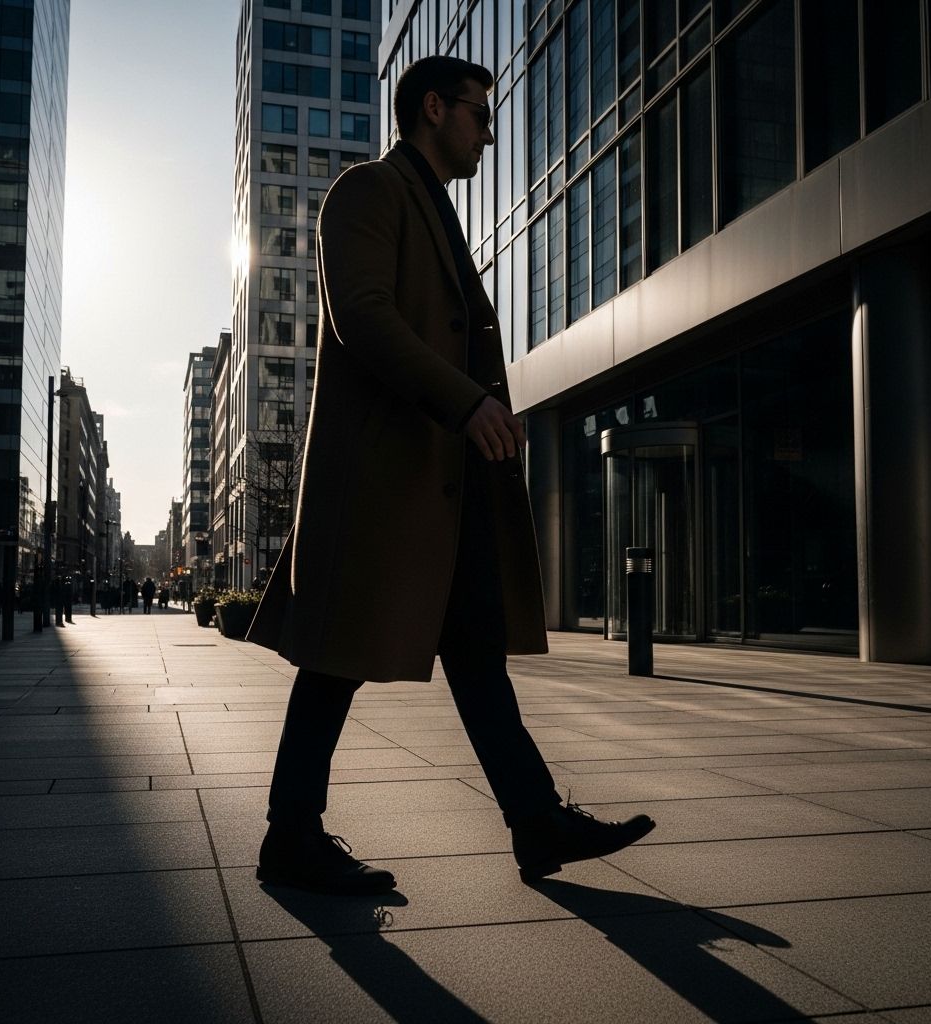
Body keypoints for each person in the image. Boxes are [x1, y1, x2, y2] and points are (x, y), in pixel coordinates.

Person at [247, 55, 655, 896]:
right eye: (480, 111)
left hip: (442, 486)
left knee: (475, 653)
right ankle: (290, 837)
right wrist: (469, 404)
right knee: (334, 658)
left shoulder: (430, 206)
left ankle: (535, 822)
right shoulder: (369, 191)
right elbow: (363, 316)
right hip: (384, 487)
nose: (489, 128)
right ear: (433, 108)